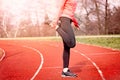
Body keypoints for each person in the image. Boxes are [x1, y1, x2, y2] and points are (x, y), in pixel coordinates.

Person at [50, 0, 79, 77]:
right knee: (71, 44)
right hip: (64, 19)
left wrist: (75, 22)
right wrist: (55, 21)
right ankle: (57, 28)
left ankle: (65, 71)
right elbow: (60, 7)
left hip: (68, 20)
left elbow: (71, 13)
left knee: (66, 47)